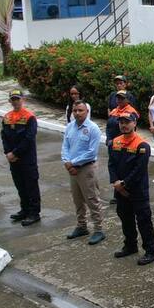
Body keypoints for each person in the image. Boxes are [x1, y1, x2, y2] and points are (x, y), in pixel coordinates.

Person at [110, 110, 154, 265]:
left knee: (144, 221)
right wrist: (116, 182)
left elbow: (139, 170)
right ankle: (130, 245)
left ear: (134, 123)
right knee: (125, 218)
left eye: (127, 122)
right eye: (121, 122)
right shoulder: (115, 142)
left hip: (137, 191)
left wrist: (124, 184)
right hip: (120, 189)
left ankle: (151, 251)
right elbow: (111, 164)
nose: (124, 125)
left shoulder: (142, 145)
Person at [61, 100, 106, 245]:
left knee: (92, 199)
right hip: (72, 169)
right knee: (77, 199)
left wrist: (73, 163)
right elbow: (65, 147)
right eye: (75, 110)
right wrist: (67, 162)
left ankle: (99, 229)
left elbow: (91, 152)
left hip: (86, 168)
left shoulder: (93, 129)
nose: (77, 113)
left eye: (80, 110)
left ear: (87, 112)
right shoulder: (70, 127)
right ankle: (82, 226)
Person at [1, 90, 41, 227]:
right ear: (9, 101)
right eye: (13, 99)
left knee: (31, 186)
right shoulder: (7, 117)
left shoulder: (29, 117)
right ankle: (24, 210)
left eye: (17, 99)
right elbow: (4, 136)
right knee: (20, 186)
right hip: (13, 159)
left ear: (22, 99)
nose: (15, 101)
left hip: (27, 159)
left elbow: (29, 139)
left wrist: (15, 153)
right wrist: (8, 152)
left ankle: (34, 213)